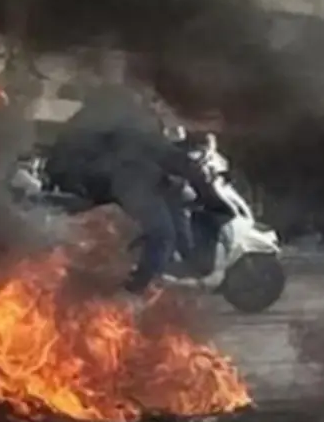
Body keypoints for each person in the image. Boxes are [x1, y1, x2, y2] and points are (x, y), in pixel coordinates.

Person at [46, 86, 227, 297]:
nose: (158, 106)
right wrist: (196, 177)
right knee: (162, 232)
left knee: (166, 203)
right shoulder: (135, 121)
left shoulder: (91, 118)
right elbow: (162, 153)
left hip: (91, 181)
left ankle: (157, 270)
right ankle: (140, 288)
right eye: (156, 101)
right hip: (114, 183)